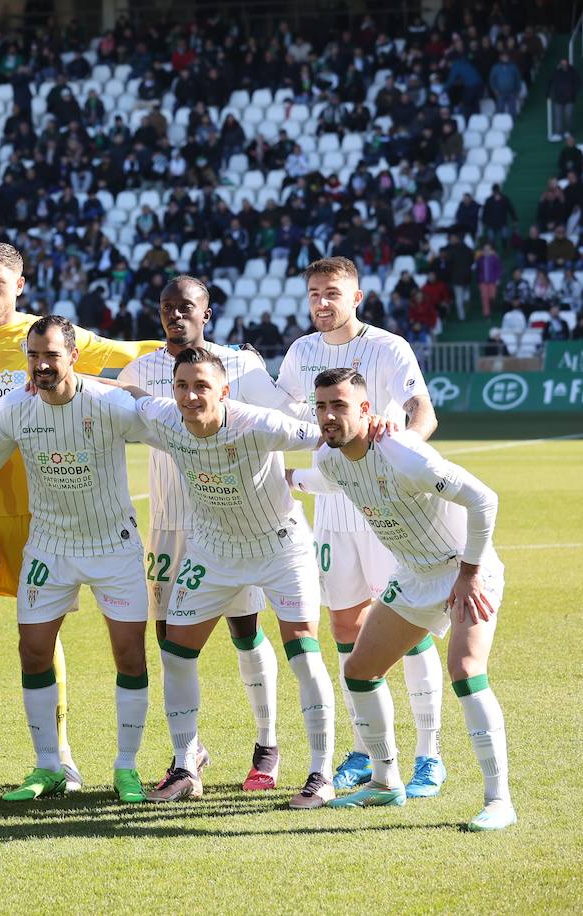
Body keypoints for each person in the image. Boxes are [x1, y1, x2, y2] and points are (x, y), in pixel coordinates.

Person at [0, 241, 160, 790]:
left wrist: (193, 348)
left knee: (44, 635)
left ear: (19, 284)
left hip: (42, 512)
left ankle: (62, 754)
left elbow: (129, 353)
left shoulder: (49, 336)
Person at [120, 348, 337, 809]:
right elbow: (129, 395)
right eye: (182, 386)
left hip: (280, 548)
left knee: (302, 650)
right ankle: (185, 765)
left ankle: (321, 772)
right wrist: (64, 377)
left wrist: (377, 426)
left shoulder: (260, 423)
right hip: (213, 552)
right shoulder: (166, 416)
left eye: (202, 386)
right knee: (176, 652)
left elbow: (328, 433)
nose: (191, 395)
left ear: (224, 390)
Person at [303, 369, 513, 831]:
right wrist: (282, 478)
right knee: (359, 670)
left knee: (466, 670)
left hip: (466, 570)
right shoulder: (331, 459)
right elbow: (327, 480)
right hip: (415, 575)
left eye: (339, 405)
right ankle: (385, 780)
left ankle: (499, 800)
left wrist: (471, 573)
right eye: (321, 407)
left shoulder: (403, 453)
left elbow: (484, 499)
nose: (328, 417)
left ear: (365, 410)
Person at [0, 317, 154, 804]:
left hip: (113, 546)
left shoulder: (109, 403)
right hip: (49, 549)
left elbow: (164, 430)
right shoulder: (16, 407)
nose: (41, 365)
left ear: (73, 357)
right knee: (33, 651)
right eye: (33, 356)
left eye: (51, 355)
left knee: (129, 655)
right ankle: (47, 765)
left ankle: (126, 768)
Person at [278, 257, 447, 798]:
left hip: (388, 514)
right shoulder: (302, 352)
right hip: (332, 514)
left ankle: (428, 755)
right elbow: (283, 415)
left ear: (357, 297)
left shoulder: (388, 347)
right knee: (347, 629)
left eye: (332, 293)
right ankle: (365, 748)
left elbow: (424, 410)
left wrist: (406, 453)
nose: (321, 303)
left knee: (410, 631)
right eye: (313, 294)